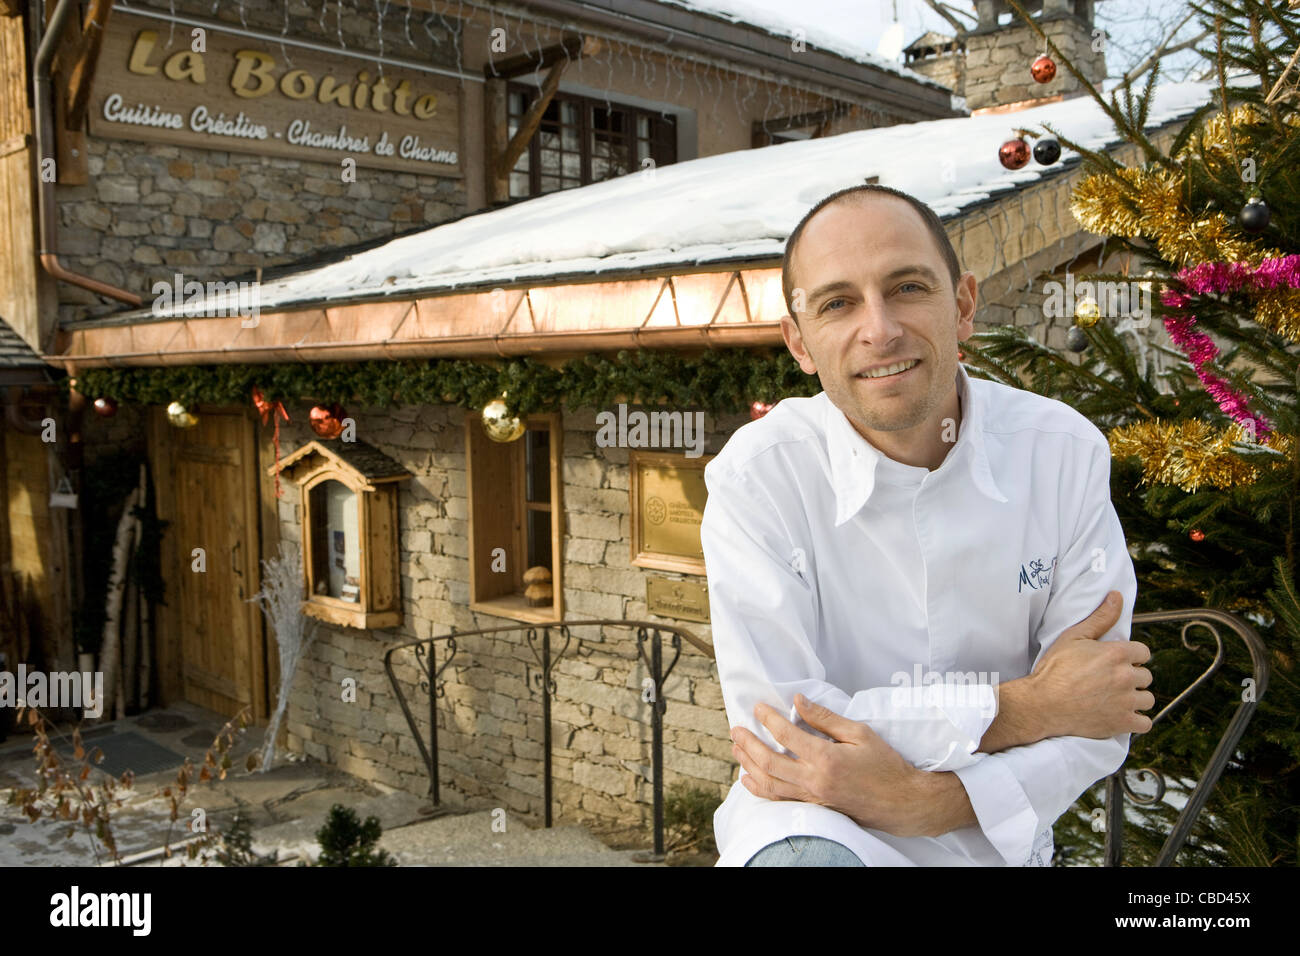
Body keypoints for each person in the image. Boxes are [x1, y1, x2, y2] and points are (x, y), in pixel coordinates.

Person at [700, 184, 1155, 867]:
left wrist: (928, 801)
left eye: (907, 287)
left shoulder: (1062, 452)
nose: (878, 329)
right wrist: (1028, 707)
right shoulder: (758, 477)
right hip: (814, 827)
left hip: (995, 840)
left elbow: (1099, 710)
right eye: (837, 303)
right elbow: (788, 729)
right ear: (799, 342)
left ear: (964, 305)